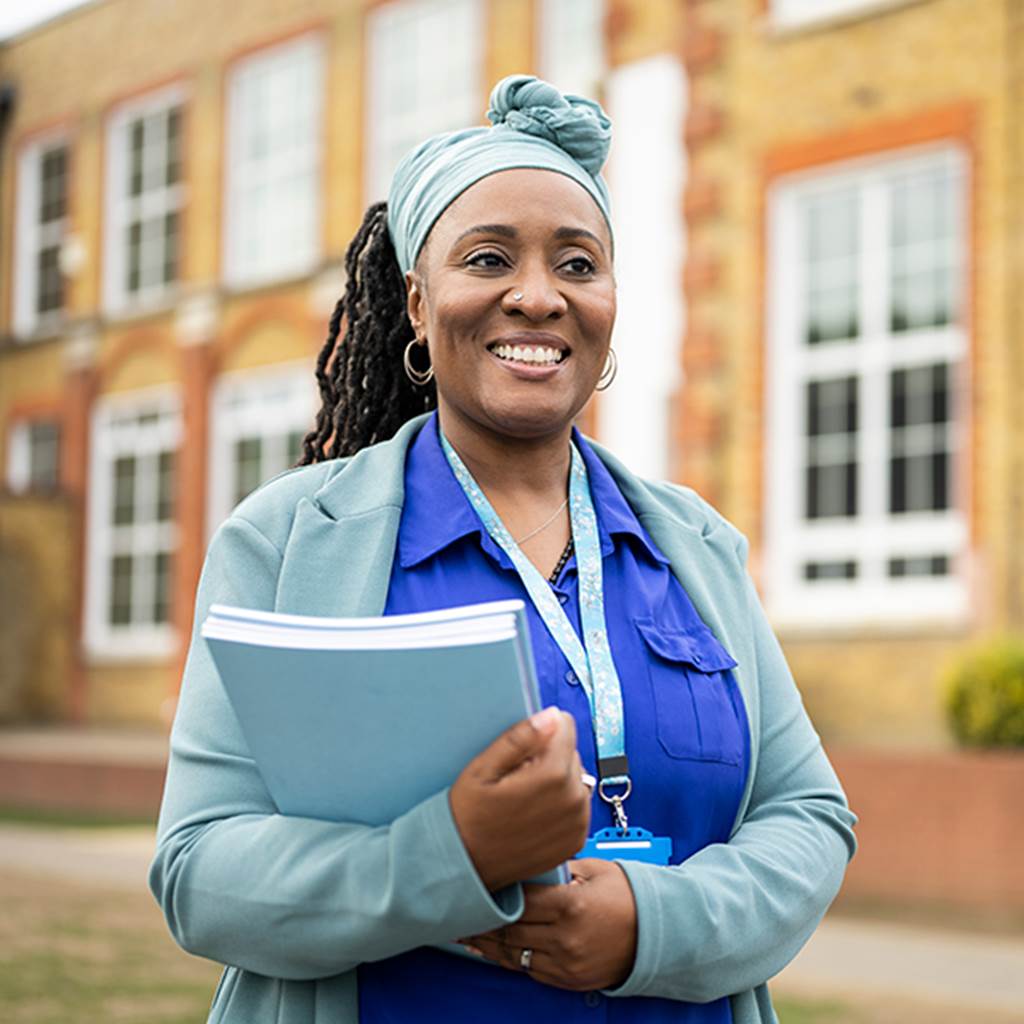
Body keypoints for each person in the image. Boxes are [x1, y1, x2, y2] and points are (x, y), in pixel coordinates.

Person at [150, 75, 856, 1024]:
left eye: (577, 264)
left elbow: (808, 820)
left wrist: (653, 925)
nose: (538, 297)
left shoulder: (693, 546)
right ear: (415, 301)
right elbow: (200, 871)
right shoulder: (284, 544)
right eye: (487, 259)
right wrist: (449, 857)